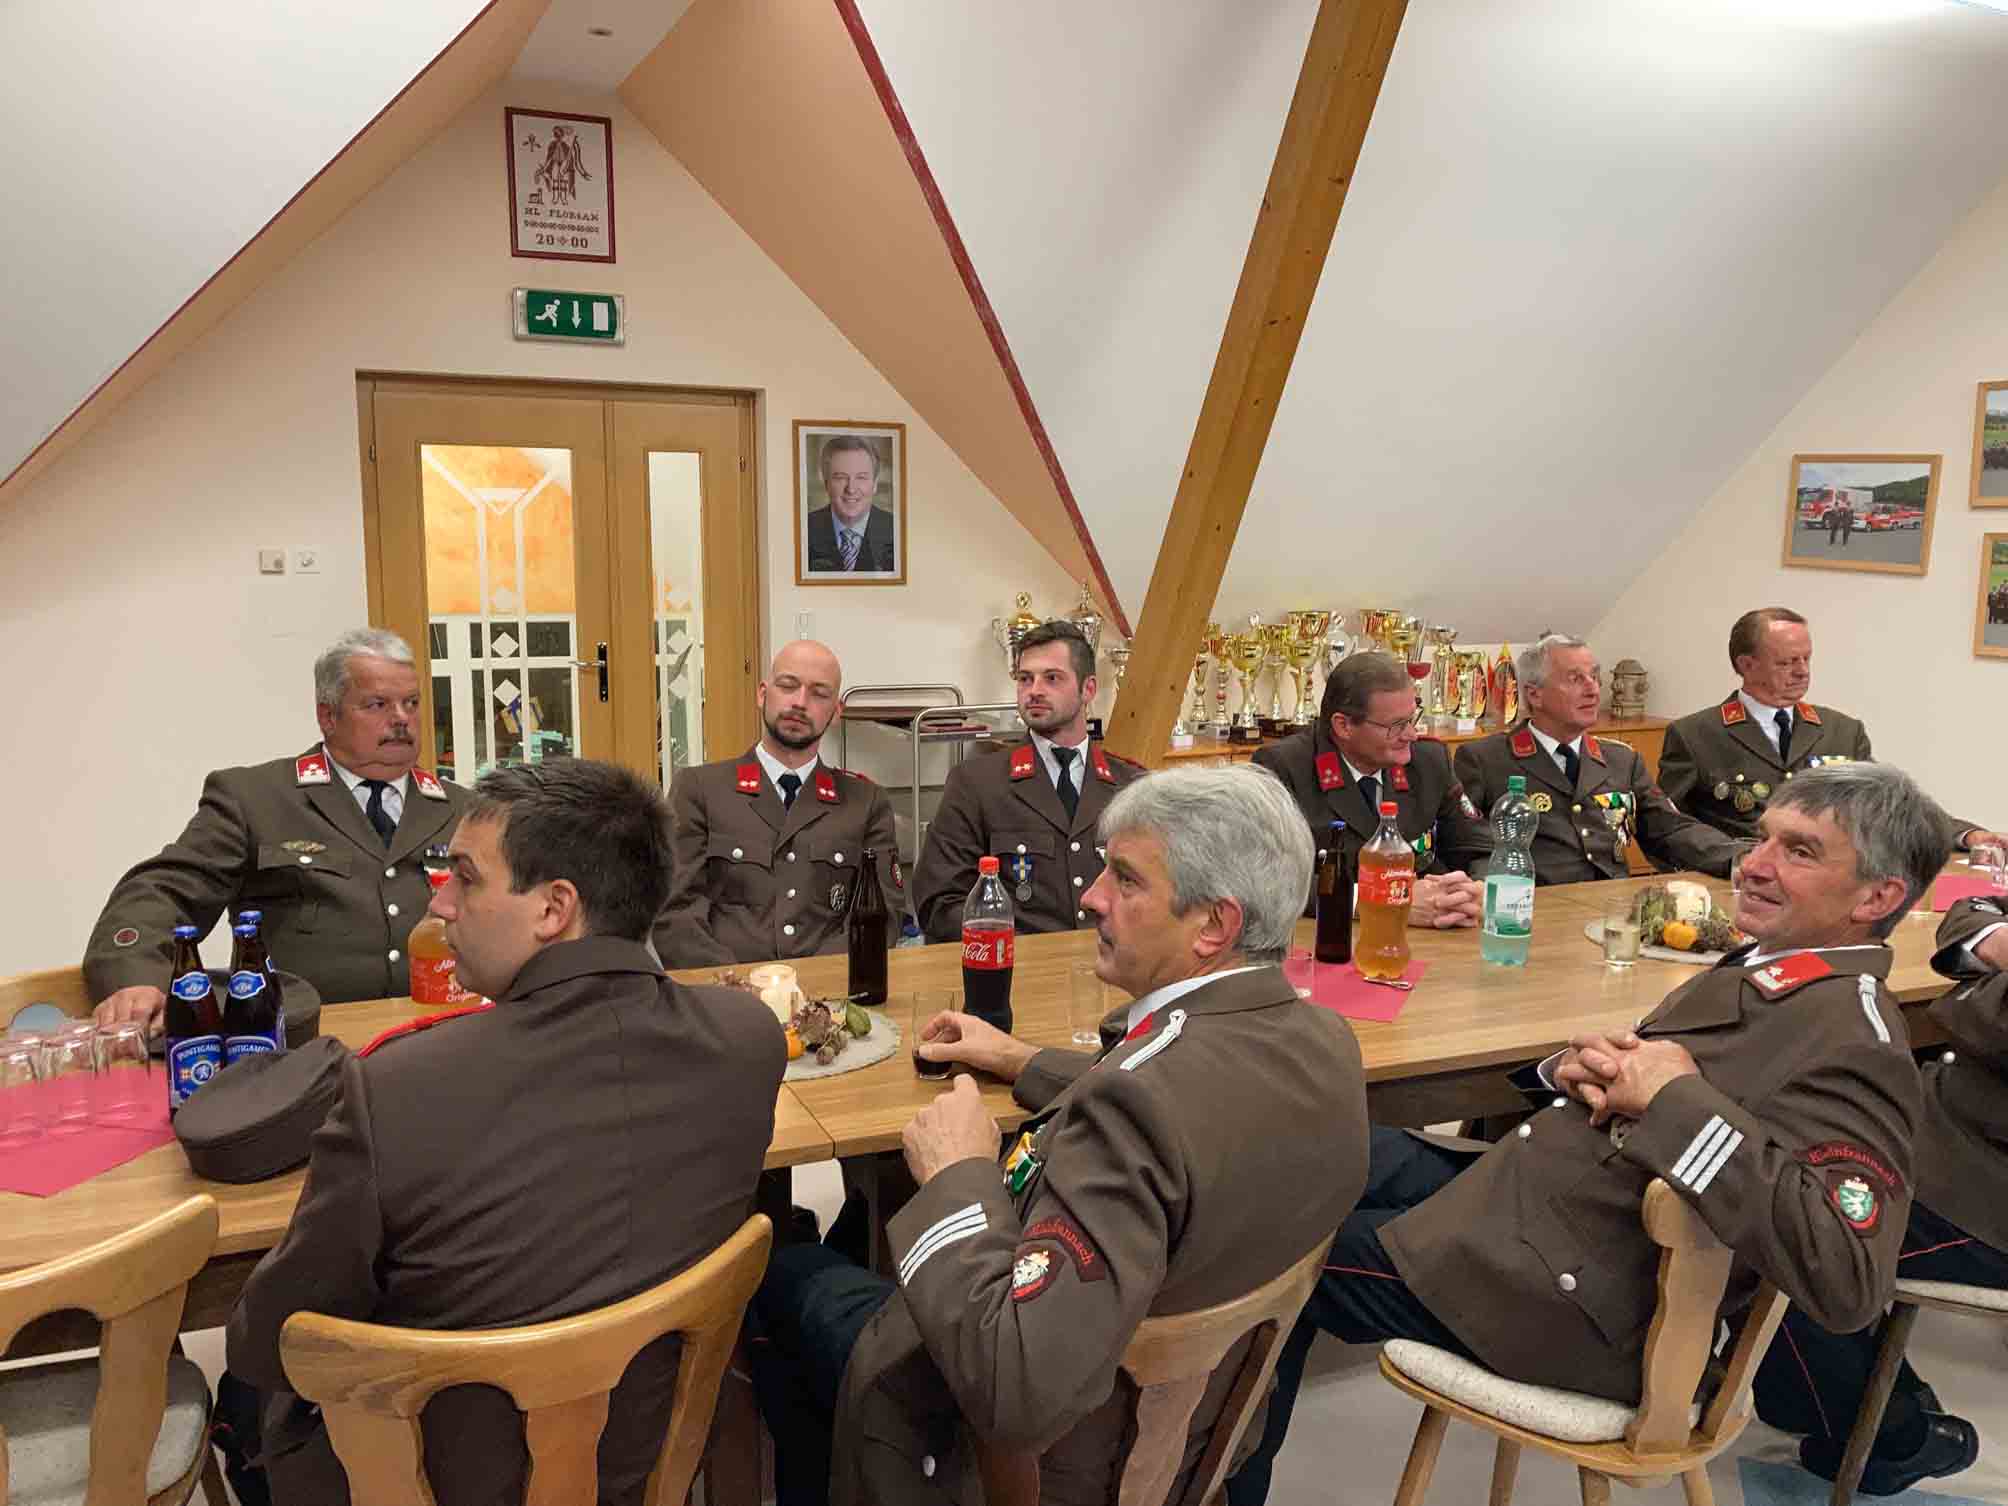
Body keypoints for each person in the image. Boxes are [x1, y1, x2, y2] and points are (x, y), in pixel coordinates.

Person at [1230, 762, 1943, 1504]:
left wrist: (1675, 1101)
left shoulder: (1852, 1036)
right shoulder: (1776, 965)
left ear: (1877, 897)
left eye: (1799, 852)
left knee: (1262, 1257)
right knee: (1321, 1154)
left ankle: (1214, 1487)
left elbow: (1848, 1277)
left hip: (1571, 1296)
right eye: (1762, 839)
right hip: (1545, 1208)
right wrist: (1577, 1071)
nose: (1755, 865)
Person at [750, 764, 1369, 1506]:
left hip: (1026, 1462)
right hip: (1199, 1445)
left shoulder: (1133, 1110)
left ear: (1214, 926)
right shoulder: (1327, 1044)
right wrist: (1020, 1060)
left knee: (781, 1265)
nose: (1091, 896)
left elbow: (1010, 1392)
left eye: (1126, 880)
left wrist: (958, 1176)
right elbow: (1187, 1092)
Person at [225, 759, 786, 1506]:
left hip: (433, 1482)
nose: (440, 904)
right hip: (645, 1459)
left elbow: (272, 1340)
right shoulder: (750, 1039)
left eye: (465, 878)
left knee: (244, 1394)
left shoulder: (395, 1088)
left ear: (554, 908)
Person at [1751, 892, 2008, 1495]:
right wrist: (1997, 943)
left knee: (1777, 1220)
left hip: (1983, 1192)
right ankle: (1826, 1394)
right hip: (1937, 1120)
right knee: (1763, 1128)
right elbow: (1974, 907)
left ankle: (1895, 1436)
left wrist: (1983, 980)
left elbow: (1985, 1020)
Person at [85, 628, 469, 1028]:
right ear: (328, 716)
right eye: (377, 704)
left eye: (411, 703)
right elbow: (163, 892)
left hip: (442, 1032)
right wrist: (137, 979)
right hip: (302, 1041)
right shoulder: (256, 799)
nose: (402, 718)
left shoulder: (465, 810)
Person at [1658, 608, 2000, 850]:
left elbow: (1886, 807)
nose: (1802, 671)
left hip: (1827, 885)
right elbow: (1666, 829)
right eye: (1786, 662)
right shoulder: (1695, 735)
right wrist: (1729, 863)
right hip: (1739, 882)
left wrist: (1965, 835)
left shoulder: (1842, 731)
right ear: (1746, 665)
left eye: (1806, 659)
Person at [655, 640, 900, 969]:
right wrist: (736, 985)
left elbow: (882, 918)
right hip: (722, 991)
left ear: (836, 712)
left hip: (830, 991)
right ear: (762, 694)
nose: (800, 702)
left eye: (819, 693)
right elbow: (674, 914)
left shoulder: (865, 803)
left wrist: (812, 984)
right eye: (787, 686)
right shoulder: (699, 790)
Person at [913, 620, 1145, 940]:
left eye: (1052, 678)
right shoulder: (977, 784)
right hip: (1015, 963)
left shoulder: (1131, 786)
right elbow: (939, 903)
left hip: (1111, 960)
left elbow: (1158, 894)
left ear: (1088, 689)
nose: (1034, 690)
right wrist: (1010, 949)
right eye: (1025, 679)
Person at [1454, 634, 1735, 884]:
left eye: (1594, 677)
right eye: (1575, 679)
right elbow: (1469, 848)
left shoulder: (1622, 760)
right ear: (1535, 695)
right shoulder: (1486, 760)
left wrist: (1738, 857)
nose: (1592, 689)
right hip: (1534, 906)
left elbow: (1670, 829)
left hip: (1610, 904)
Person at [1253, 652, 1489, 927]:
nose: (1411, 734)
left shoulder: (1429, 761)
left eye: (1412, 718)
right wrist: (1383, 901)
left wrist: (1477, 890)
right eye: (1396, 726)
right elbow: (1268, 881)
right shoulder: (1283, 768)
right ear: (1343, 726)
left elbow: (1480, 848)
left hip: (1434, 932)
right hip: (1332, 935)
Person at [804, 435, 897, 573]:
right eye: (841, 477)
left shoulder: (897, 531)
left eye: (861, 477)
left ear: (875, 484)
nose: (851, 489)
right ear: (826, 483)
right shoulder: (803, 530)